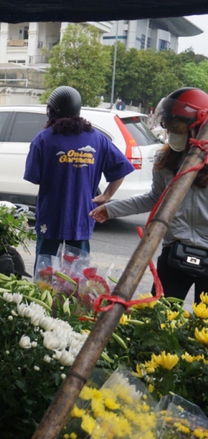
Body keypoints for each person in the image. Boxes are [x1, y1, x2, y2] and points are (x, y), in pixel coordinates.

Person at [90, 87, 208, 304]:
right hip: (175, 253)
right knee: (159, 319)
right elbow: (154, 198)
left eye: (178, 126)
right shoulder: (166, 160)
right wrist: (110, 209)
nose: (172, 131)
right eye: (170, 125)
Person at [24, 85, 134, 260]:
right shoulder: (98, 139)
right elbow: (121, 168)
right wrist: (106, 195)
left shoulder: (43, 139)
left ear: (51, 111)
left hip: (51, 215)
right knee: (77, 273)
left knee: (45, 270)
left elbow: (34, 177)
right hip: (81, 215)